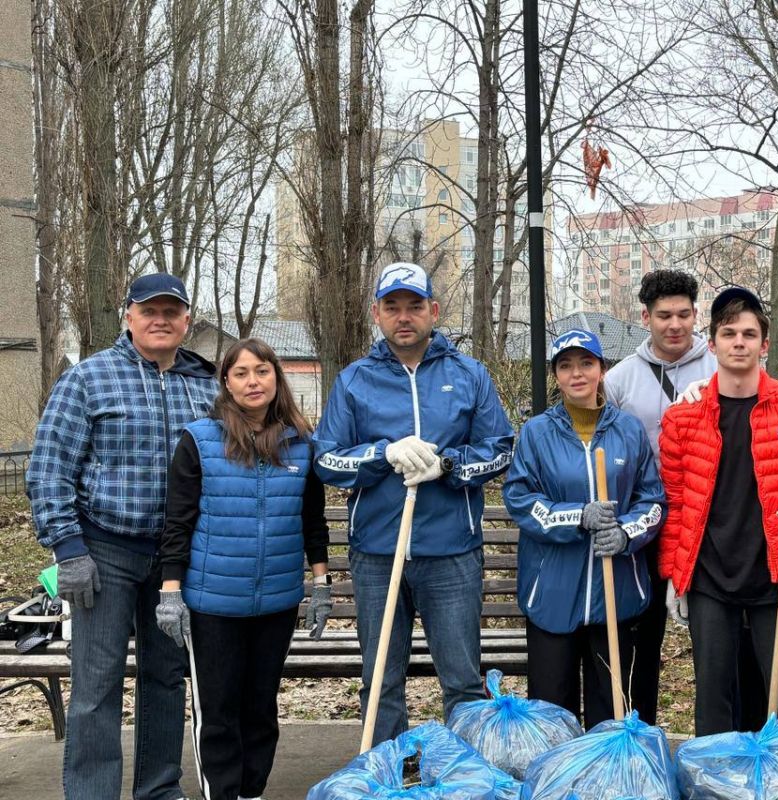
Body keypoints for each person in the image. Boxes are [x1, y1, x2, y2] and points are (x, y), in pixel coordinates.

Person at [26, 273, 217, 800]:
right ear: (127, 316)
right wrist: (68, 550)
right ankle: (91, 792)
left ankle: (158, 789)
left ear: (185, 320)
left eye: (171, 312)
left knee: (165, 678)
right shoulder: (88, 379)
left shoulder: (206, 385)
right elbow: (48, 469)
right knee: (96, 684)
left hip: (177, 561)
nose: (160, 320)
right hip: (104, 551)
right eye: (148, 310)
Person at [314, 262, 514, 746]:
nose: (404, 317)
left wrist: (446, 465)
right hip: (377, 554)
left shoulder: (469, 375)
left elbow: (501, 449)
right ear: (376, 315)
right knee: (381, 680)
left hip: (452, 552)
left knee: (462, 681)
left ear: (434, 311)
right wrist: (381, 453)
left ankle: (465, 779)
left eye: (414, 306)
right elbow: (325, 460)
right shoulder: (354, 380)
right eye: (392, 307)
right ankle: (384, 771)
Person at [153, 338, 330, 800]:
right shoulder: (199, 440)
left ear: (276, 377)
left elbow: (312, 521)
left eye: (262, 371)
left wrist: (320, 584)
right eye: (241, 373)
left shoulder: (301, 443)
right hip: (212, 604)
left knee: (260, 709)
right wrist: (170, 593)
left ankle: (251, 792)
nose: (253, 381)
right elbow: (179, 521)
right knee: (219, 711)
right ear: (226, 383)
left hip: (277, 602)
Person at [657, 287, 778, 736]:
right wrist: (675, 577)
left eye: (749, 334)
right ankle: (717, 784)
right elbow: (676, 502)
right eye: (729, 333)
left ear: (764, 344)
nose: (740, 342)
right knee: (714, 696)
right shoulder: (684, 418)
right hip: (709, 580)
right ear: (711, 343)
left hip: (775, 575)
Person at [503, 329, 666, 728]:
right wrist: (577, 515)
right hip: (553, 597)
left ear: (602, 370)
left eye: (586, 364)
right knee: (551, 714)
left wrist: (627, 532)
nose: (577, 374)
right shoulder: (537, 433)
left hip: (617, 598)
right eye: (566, 366)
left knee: (610, 712)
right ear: (556, 376)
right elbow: (521, 498)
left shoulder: (628, 431)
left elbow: (654, 501)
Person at [602, 269, 714, 725]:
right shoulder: (621, 379)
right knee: (640, 642)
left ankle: (715, 738)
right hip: (643, 525)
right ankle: (638, 733)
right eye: (664, 315)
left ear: (695, 314)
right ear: (645, 317)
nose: (675, 325)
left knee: (713, 642)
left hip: (705, 524)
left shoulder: (719, 368)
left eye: (684, 314)